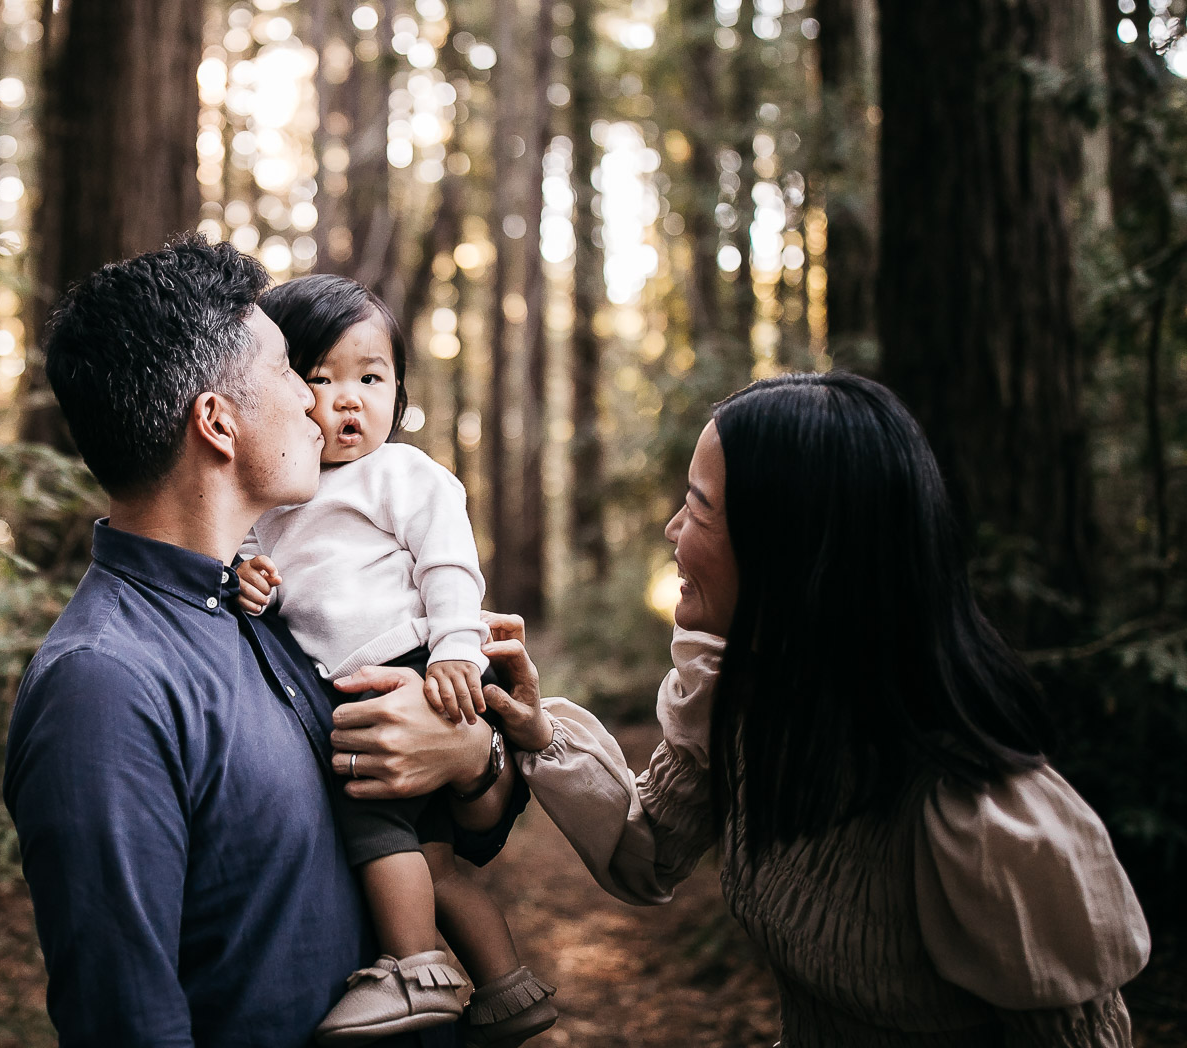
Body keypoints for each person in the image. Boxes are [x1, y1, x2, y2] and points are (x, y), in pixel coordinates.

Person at [467, 372, 1152, 1047]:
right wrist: (540, 732)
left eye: (699, 508)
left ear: (787, 548)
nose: (673, 529)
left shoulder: (982, 825)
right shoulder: (743, 705)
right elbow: (646, 851)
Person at [2, 234, 527, 1048]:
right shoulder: (103, 687)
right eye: (293, 372)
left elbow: (465, 837)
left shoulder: (274, 609)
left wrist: (473, 755)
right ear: (218, 423)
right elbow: (127, 1021)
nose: (320, 406)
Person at [236, 275, 556, 1047]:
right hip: (375, 675)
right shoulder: (275, 498)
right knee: (435, 863)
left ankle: (413, 967)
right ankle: (508, 986)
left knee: (369, 814)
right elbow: (252, 566)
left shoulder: (402, 474)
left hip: (412, 668)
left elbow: (449, 566)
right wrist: (248, 575)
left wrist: (455, 651)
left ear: (399, 393)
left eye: (371, 379)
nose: (348, 400)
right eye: (321, 378)